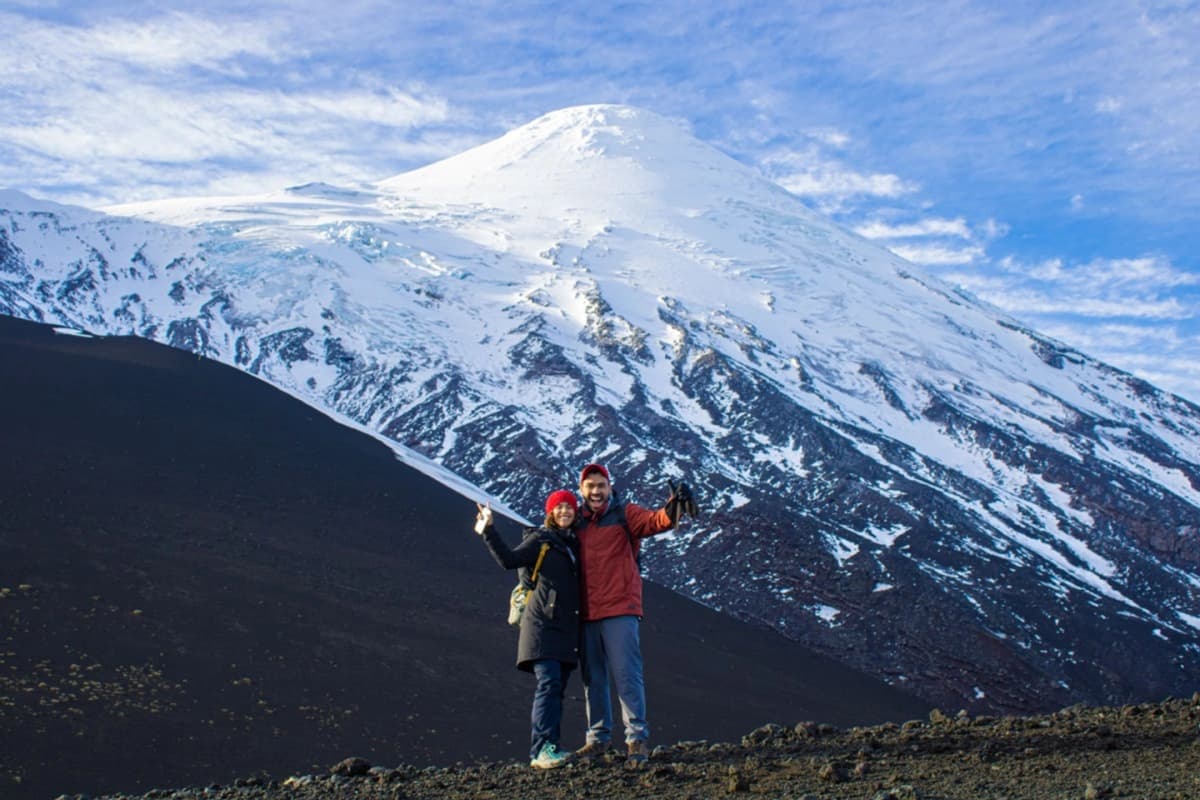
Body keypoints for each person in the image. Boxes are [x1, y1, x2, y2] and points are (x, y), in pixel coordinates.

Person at [572, 463, 697, 765]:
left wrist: (672, 507)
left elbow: (656, 521)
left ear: (609, 487)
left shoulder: (625, 514)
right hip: (586, 610)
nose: (596, 491)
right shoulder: (576, 521)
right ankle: (598, 739)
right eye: (590, 486)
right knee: (594, 678)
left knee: (627, 675)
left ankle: (636, 739)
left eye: (601, 485)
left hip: (619, 607)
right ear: (582, 490)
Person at [475, 490, 582, 769]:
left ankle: (551, 747)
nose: (564, 512)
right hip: (542, 627)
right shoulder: (541, 540)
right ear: (550, 512)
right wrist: (488, 530)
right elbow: (508, 560)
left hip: (565, 630)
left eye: (569, 507)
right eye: (558, 508)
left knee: (557, 689)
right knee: (548, 685)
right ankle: (540, 750)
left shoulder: (572, 545)